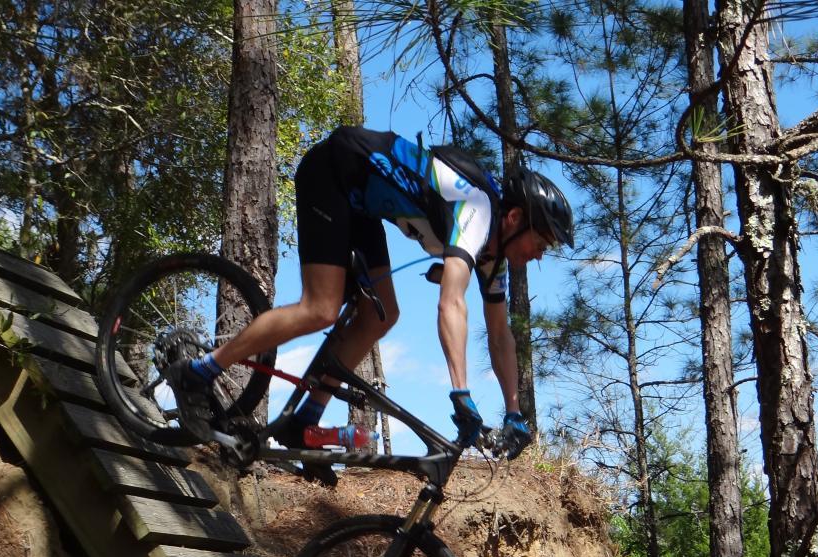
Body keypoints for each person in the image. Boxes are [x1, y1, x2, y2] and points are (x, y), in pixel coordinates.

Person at [168, 126, 573, 485]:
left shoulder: (494, 255)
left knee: (383, 316)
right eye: (540, 242)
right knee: (321, 308)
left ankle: (302, 421)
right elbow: (450, 302)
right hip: (333, 171)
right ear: (515, 217)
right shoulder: (479, 210)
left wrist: (514, 412)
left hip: (361, 206)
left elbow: (500, 334)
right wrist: (461, 394)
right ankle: (200, 370)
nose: (539, 255)